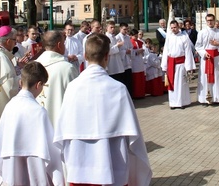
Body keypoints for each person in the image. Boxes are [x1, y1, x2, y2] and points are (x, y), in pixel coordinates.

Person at [54, 33, 152, 185]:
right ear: (107, 56)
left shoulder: (73, 88)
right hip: (113, 163)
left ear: (85, 56)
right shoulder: (118, 88)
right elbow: (133, 133)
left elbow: (62, 130)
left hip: (79, 164)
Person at [0, 62, 64, 186]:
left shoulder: (9, 107)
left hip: (11, 170)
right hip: (35, 173)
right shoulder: (39, 112)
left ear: (20, 82)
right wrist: (58, 179)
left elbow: (0, 144)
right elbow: (52, 153)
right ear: (39, 85)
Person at [36, 30, 79, 126]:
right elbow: (76, 100)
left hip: (38, 124)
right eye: (64, 43)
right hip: (60, 125)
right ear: (59, 45)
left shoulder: (35, 65)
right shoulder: (67, 68)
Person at [161, 20, 196, 110]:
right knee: (172, 84)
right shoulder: (169, 37)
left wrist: (189, 67)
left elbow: (188, 52)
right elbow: (166, 51)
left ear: (178, 27)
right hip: (171, 63)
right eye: (172, 28)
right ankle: (173, 103)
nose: (173, 29)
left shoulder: (184, 37)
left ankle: (181, 102)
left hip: (180, 64)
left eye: (175, 27)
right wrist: (164, 65)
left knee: (180, 84)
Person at [195, 14, 219, 107]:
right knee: (205, 78)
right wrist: (204, 53)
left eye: (211, 20)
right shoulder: (202, 32)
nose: (210, 22)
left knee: (217, 77)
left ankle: (217, 98)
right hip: (206, 58)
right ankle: (205, 99)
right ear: (206, 21)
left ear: (214, 20)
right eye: (208, 20)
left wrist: (218, 44)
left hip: (216, 58)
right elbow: (198, 46)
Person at [116, 22, 133, 96]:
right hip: (122, 61)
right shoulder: (117, 37)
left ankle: (130, 94)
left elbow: (131, 47)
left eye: (127, 29)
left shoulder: (127, 37)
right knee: (123, 79)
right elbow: (117, 49)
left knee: (129, 79)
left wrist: (130, 51)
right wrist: (125, 51)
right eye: (124, 29)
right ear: (120, 29)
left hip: (128, 60)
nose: (126, 31)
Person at [129, 29, 146, 99]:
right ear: (131, 36)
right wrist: (136, 52)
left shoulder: (140, 42)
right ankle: (136, 94)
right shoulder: (130, 42)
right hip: (134, 62)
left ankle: (141, 93)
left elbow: (143, 52)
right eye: (134, 36)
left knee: (141, 78)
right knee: (136, 80)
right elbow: (130, 53)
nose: (136, 38)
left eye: (136, 36)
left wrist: (142, 51)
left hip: (140, 61)